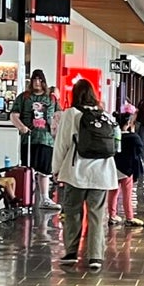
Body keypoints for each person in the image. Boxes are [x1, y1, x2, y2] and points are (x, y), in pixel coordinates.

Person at [52, 77, 119, 270]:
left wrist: (56, 169)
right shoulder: (105, 115)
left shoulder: (71, 114)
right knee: (96, 214)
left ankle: (72, 252)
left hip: (77, 171)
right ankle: (95, 257)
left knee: (72, 212)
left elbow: (62, 144)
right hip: (102, 172)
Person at [18, 70, 58, 205]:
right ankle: (26, 196)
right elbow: (14, 115)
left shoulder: (51, 98)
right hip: (29, 139)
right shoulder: (24, 97)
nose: (37, 82)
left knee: (45, 170)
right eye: (34, 79)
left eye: (39, 79)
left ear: (44, 81)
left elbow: (58, 115)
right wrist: (21, 127)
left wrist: (56, 131)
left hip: (46, 139)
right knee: (28, 170)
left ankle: (45, 198)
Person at [109, 107, 142, 224]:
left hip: (114, 168)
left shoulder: (112, 136)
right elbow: (139, 151)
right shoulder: (134, 138)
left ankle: (112, 215)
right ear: (128, 123)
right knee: (127, 194)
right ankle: (129, 217)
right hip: (127, 169)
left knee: (113, 192)